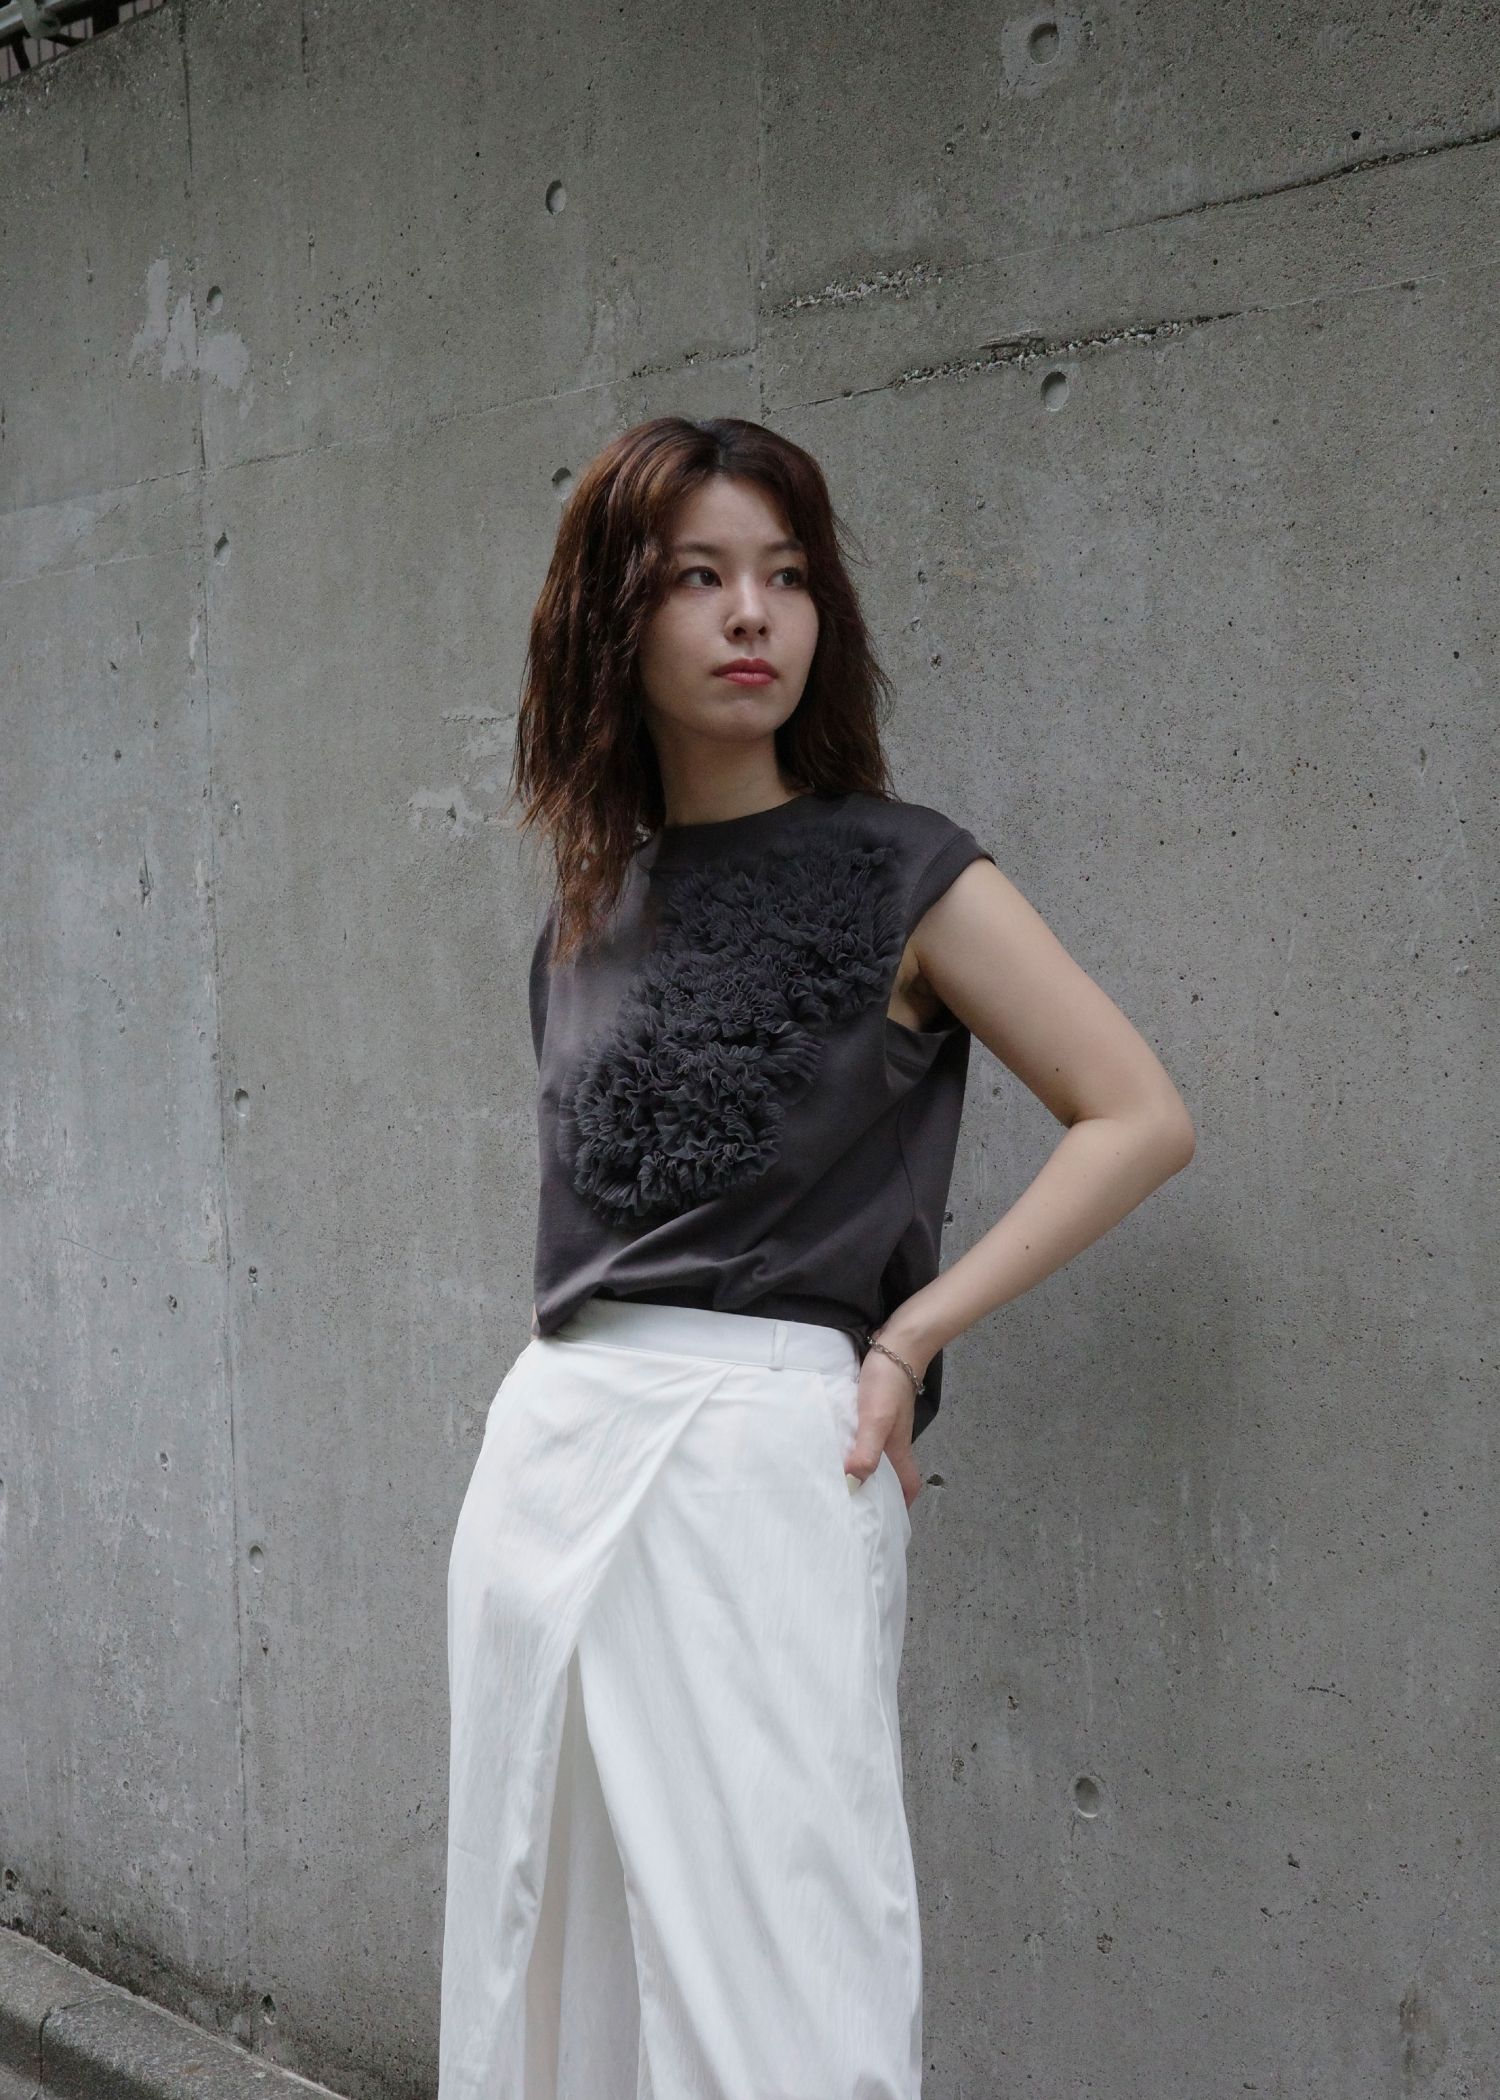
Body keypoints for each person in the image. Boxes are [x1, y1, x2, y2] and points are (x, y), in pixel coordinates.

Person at [438, 415, 1196, 2100]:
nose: (750, 614)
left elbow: (1138, 1116)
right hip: (553, 1449)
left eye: (784, 577)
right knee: (534, 1946)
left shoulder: (905, 871)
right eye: (698, 578)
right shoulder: (584, 914)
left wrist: (908, 1340)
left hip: (767, 1456)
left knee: (785, 1965)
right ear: (613, 619)